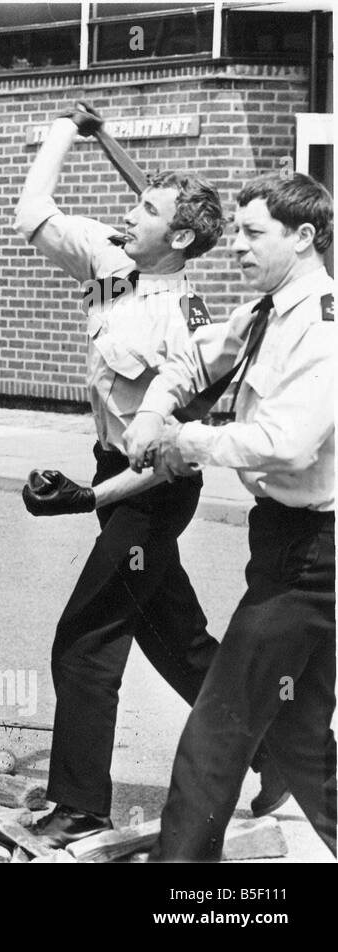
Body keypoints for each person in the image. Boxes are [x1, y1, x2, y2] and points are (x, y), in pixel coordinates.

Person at [10, 105, 283, 849]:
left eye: (146, 210)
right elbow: (33, 209)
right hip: (109, 471)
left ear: (184, 238)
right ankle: (280, 746)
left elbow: (171, 455)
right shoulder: (110, 258)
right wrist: (69, 127)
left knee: (86, 639)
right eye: (135, 203)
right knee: (178, 637)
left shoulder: (188, 327)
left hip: (150, 492)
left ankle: (80, 805)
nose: (126, 215)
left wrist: (90, 500)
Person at [122, 173, 335, 861]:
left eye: (253, 233)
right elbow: (194, 356)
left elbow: (285, 442)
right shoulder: (266, 311)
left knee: (222, 722)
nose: (237, 246)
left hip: (313, 552)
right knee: (299, 733)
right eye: (237, 231)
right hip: (287, 539)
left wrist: (190, 441)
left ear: (303, 237)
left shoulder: (323, 326)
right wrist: (157, 409)